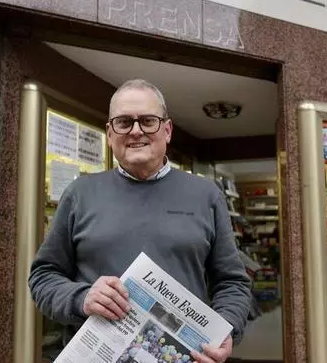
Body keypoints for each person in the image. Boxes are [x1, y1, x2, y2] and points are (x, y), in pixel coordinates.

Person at [28, 79, 253, 363]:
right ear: (110, 134)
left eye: (148, 121)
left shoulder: (205, 195)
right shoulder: (80, 193)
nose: (136, 131)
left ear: (167, 130)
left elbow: (232, 282)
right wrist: (80, 298)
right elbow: (43, 276)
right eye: (124, 122)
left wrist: (225, 328)